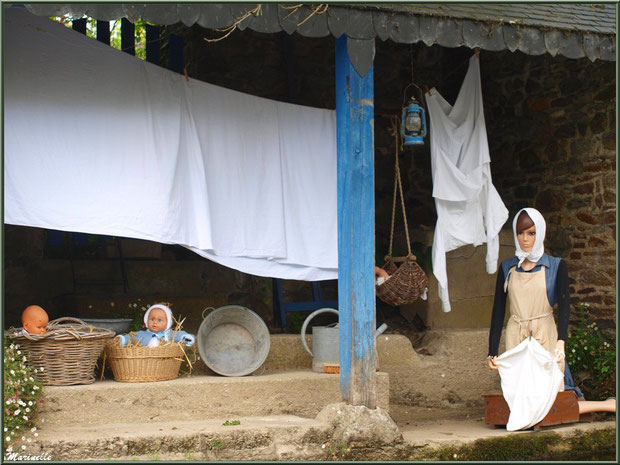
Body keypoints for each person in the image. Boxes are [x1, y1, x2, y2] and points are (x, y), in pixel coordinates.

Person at [488, 207, 615, 417]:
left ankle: (608, 405)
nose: (525, 239)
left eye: (531, 233)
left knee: (549, 398)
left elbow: (565, 306)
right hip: (516, 336)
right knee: (523, 401)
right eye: (520, 233)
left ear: (541, 234)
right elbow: (498, 311)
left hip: (544, 335)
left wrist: (561, 341)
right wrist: (492, 351)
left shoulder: (556, 266)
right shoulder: (507, 268)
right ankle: (607, 404)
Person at [115, 303, 195, 347]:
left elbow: (178, 334)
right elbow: (131, 337)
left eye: (159, 320)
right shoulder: (142, 334)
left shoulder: (169, 334)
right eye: (152, 319)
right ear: (146, 320)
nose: (155, 322)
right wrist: (122, 339)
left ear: (167, 323)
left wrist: (185, 338)